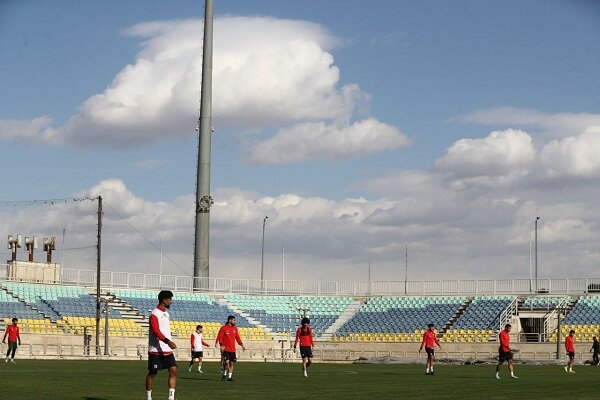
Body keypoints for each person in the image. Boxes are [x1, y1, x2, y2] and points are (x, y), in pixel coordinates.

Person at [146, 290, 178, 400]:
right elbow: (156, 331)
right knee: (152, 373)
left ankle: (171, 397)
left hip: (167, 350)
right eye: (170, 299)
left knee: (173, 370)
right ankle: (149, 397)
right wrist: (168, 341)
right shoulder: (154, 314)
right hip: (155, 349)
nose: (171, 302)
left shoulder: (166, 313)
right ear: (164, 300)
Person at [216, 315, 246, 381]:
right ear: (230, 320)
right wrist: (221, 345)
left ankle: (229, 377)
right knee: (226, 362)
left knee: (231, 363)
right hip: (226, 348)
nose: (235, 321)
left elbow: (237, 338)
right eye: (234, 320)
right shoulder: (223, 328)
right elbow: (220, 337)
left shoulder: (235, 329)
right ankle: (224, 373)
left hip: (232, 349)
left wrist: (242, 345)